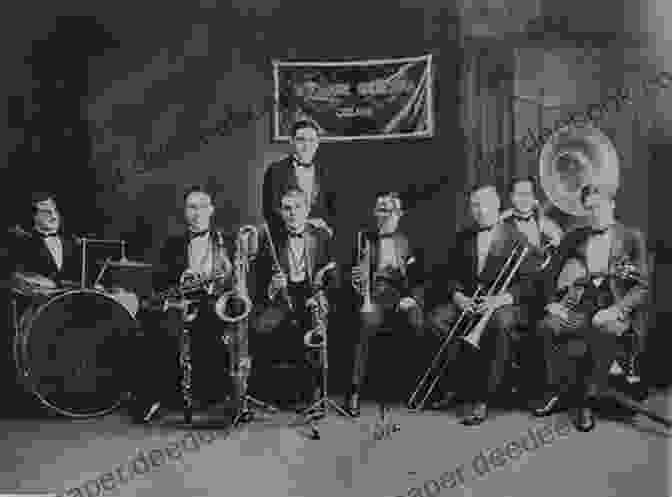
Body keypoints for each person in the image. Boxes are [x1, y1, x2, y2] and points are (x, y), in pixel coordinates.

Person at [532, 184, 649, 432]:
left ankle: (585, 401)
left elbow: (642, 287)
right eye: (589, 209)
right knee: (547, 326)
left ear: (612, 204)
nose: (595, 213)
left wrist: (617, 310)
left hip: (613, 308)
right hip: (578, 306)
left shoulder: (631, 237)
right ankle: (557, 392)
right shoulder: (575, 235)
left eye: (600, 206)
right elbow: (550, 273)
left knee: (604, 331)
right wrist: (552, 302)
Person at [427, 184, 536, 425]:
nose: (479, 210)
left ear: (497, 205)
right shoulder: (463, 237)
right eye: (474, 205)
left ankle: (482, 397)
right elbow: (449, 275)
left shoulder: (517, 237)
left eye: (484, 204)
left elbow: (529, 285)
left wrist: (498, 300)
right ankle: (457, 385)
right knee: (436, 320)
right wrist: (459, 297)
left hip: (501, 305)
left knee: (500, 324)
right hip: (469, 301)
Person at [132, 185, 236, 423]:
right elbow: (158, 282)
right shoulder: (172, 244)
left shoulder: (225, 242)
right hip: (180, 303)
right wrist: (180, 279)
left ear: (211, 210)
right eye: (191, 207)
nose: (197, 213)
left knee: (214, 329)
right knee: (158, 330)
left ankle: (215, 397)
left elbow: (236, 278)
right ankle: (160, 398)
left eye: (202, 207)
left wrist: (217, 287)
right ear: (184, 212)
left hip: (214, 303)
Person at [251, 187, 339, 408]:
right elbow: (256, 281)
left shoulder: (320, 237)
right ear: (281, 212)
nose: (292, 214)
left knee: (314, 330)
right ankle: (270, 393)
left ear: (307, 209)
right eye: (287, 209)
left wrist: (319, 294)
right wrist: (272, 287)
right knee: (260, 328)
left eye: (297, 208)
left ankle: (314, 393)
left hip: (311, 297)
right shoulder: (270, 239)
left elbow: (333, 274)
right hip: (282, 299)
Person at [345, 191, 426, 417]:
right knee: (366, 322)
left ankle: (414, 388)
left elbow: (420, 278)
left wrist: (413, 298)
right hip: (373, 298)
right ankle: (354, 390)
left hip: (402, 297)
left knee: (417, 322)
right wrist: (355, 282)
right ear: (374, 212)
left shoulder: (408, 241)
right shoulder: (363, 238)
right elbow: (347, 276)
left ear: (400, 214)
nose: (386, 215)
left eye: (391, 210)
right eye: (381, 209)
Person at [262, 120, 336, 239]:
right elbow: (270, 212)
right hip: (285, 241)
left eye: (311, 140)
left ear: (317, 143)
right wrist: (303, 225)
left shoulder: (327, 173)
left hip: (320, 243)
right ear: (292, 142)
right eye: (301, 140)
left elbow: (334, 212)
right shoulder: (275, 171)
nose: (306, 146)